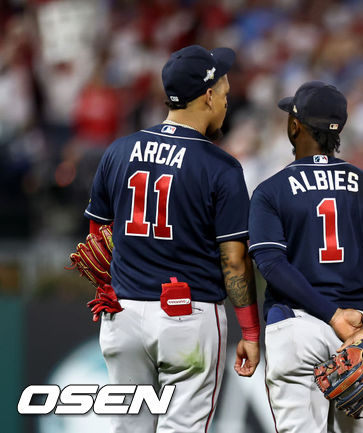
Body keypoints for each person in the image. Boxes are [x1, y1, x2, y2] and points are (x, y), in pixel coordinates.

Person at [82, 45, 260, 433]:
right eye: (225, 95)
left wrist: (107, 287)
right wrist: (249, 329)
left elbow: (97, 237)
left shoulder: (118, 151)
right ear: (208, 95)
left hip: (122, 316)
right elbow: (233, 260)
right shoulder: (221, 166)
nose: (227, 104)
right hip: (187, 318)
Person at [247, 81, 363, 433]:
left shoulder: (270, 190)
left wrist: (331, 315)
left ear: (295, 126)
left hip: (297, 323)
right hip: (357, 331)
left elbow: (271, 264)